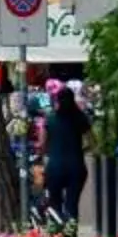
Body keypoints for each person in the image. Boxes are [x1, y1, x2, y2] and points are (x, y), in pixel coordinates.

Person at [40, 85, 91, 226]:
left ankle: (56, 233)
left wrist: (48, 152)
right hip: (76, 166)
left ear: (57, 100)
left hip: (55, 166)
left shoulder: (50, 119)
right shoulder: (80, 118)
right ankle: (71, 233)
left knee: (54, 202)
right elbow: (92, 142)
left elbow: (42, 143)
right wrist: (80, 150)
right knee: (72, 203)